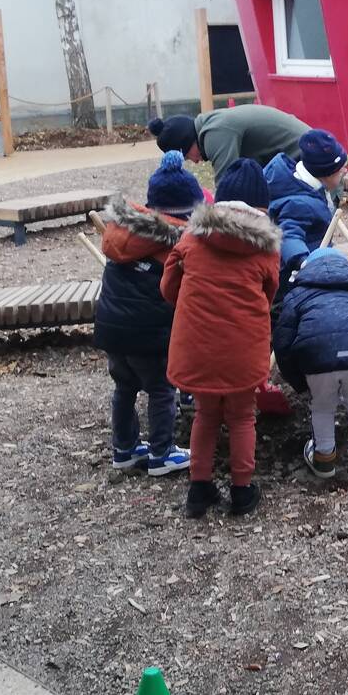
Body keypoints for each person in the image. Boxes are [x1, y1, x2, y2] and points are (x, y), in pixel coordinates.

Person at [161, 158, 281, 519]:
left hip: (197, 347)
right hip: (243, 348)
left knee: (205, 414)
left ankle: (199, 489)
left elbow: (168, 289)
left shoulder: (191, 239)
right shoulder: (265, 249)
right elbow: (270, 293)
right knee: (244, 417)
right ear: (261, 208)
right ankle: (242, 491)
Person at [92, 152, 202, 477]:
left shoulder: (122, 235)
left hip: (112, 329)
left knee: (124, 388)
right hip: (150, 335)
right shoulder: (176, 245)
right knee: (160, 389)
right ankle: (162, 452)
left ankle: (124, 449)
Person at [273, 247, 348, 480]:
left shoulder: (297, 295)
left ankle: (324, 458)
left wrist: (298, 381)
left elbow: (282, 342)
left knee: (322, 404)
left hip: (316, 356)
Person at [264, 128, 347, 281]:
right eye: (340, 171)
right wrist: (303, 262)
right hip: (298, 278)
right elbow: (289, 234)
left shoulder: (308, 189)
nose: (345, 171)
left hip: (316, 261)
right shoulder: (299, 203)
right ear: (327, 174)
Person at [148, 103, 312, 178]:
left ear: (188, 142)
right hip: (299, 152)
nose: (194, 162)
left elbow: (228, 187)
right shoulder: (212, 125)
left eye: (187, 156)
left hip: (304, 155)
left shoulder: (215, 133)